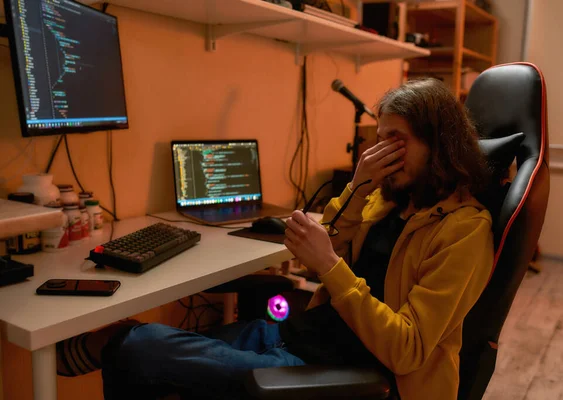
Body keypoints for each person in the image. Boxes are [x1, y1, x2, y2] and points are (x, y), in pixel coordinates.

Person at [57, 78, 493, 400]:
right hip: (295, 336)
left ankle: (113, 339)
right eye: (378, 142)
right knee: (136, 354)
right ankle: (115, 340)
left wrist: (330, 267)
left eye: (396, 142)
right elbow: (331, 241)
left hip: (344, 372)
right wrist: (360, 183)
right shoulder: (391, 197)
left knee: (140, 347)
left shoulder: (464, 230)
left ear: (439, 144)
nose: (383, 155)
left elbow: (407, 350)